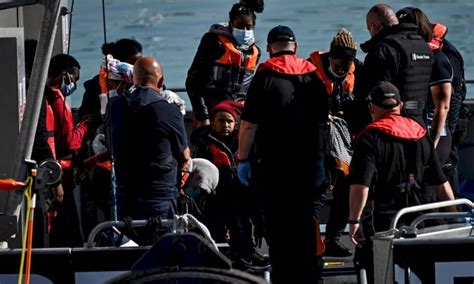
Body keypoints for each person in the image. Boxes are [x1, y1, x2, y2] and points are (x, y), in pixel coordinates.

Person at [238, 25, 328, 283]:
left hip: (274, 168)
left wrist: (243, 159)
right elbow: (324, 124)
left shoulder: (264, 78)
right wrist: (321, 161)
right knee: (306, 225)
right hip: (310, 166)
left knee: (278, 230)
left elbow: (248, 125)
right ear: (295, 47)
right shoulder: (314, 78)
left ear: (268, 49)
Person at [348, 81, 456, 284]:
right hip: (421, 214)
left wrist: (354, 221)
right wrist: (455, 216)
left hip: (384, 217)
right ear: (401, 105)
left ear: (372, 107)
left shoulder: (370, 138)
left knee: (375, 268)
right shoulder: (420, 134)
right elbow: (441, 182)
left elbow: (361, 185)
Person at [111, 57, 192, 219]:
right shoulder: (168, 109)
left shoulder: (114, 106)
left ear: (134, 79)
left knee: (130, 242)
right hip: (159, 195)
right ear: (161, 81)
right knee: (162, 242)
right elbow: (184, 155)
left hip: (125, 195)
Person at [192, 100, 268, 267]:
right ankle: (220, 256)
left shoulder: (243, 141)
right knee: (216, 226)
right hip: (216, 194)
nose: (225, 125)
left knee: (243, 225)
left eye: (229, 121)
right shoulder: (204, 143)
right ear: (212, 122)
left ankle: (248, 253)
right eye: (221, 121)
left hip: (239, 192)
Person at [308, 27, 363, 257]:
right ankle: (311, 240)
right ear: (330, 58)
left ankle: (332, 237)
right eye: (338, 64)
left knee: (345, 189)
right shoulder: (310, 72)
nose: (342, 69)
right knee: (316, 191)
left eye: (346, 66)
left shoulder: (357, 71)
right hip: (315, 141)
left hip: (343, 142)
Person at [186, 2, 261, 128]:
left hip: (237, 114)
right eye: (240, 26)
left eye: (248, 27)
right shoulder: (213, 42)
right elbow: (193, 81)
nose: (244, 31)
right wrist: (202, 115)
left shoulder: (255, 52)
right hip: (213, 113)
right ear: (231, 24)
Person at [361, 3, 434, 127]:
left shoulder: (382, 50)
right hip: (420, 125)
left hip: (392, 127)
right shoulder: (423, 46)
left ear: (375, 26)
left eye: (369, 29)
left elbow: (372, 92)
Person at [46, 54, 92, 247]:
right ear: (64, 75)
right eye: (74, 79)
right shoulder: (57, 101)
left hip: (54, 171)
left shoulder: (47, 96)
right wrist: (85, 125)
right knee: (69, 229)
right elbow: (71, 142)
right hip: (62, 175)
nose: (73, 85)